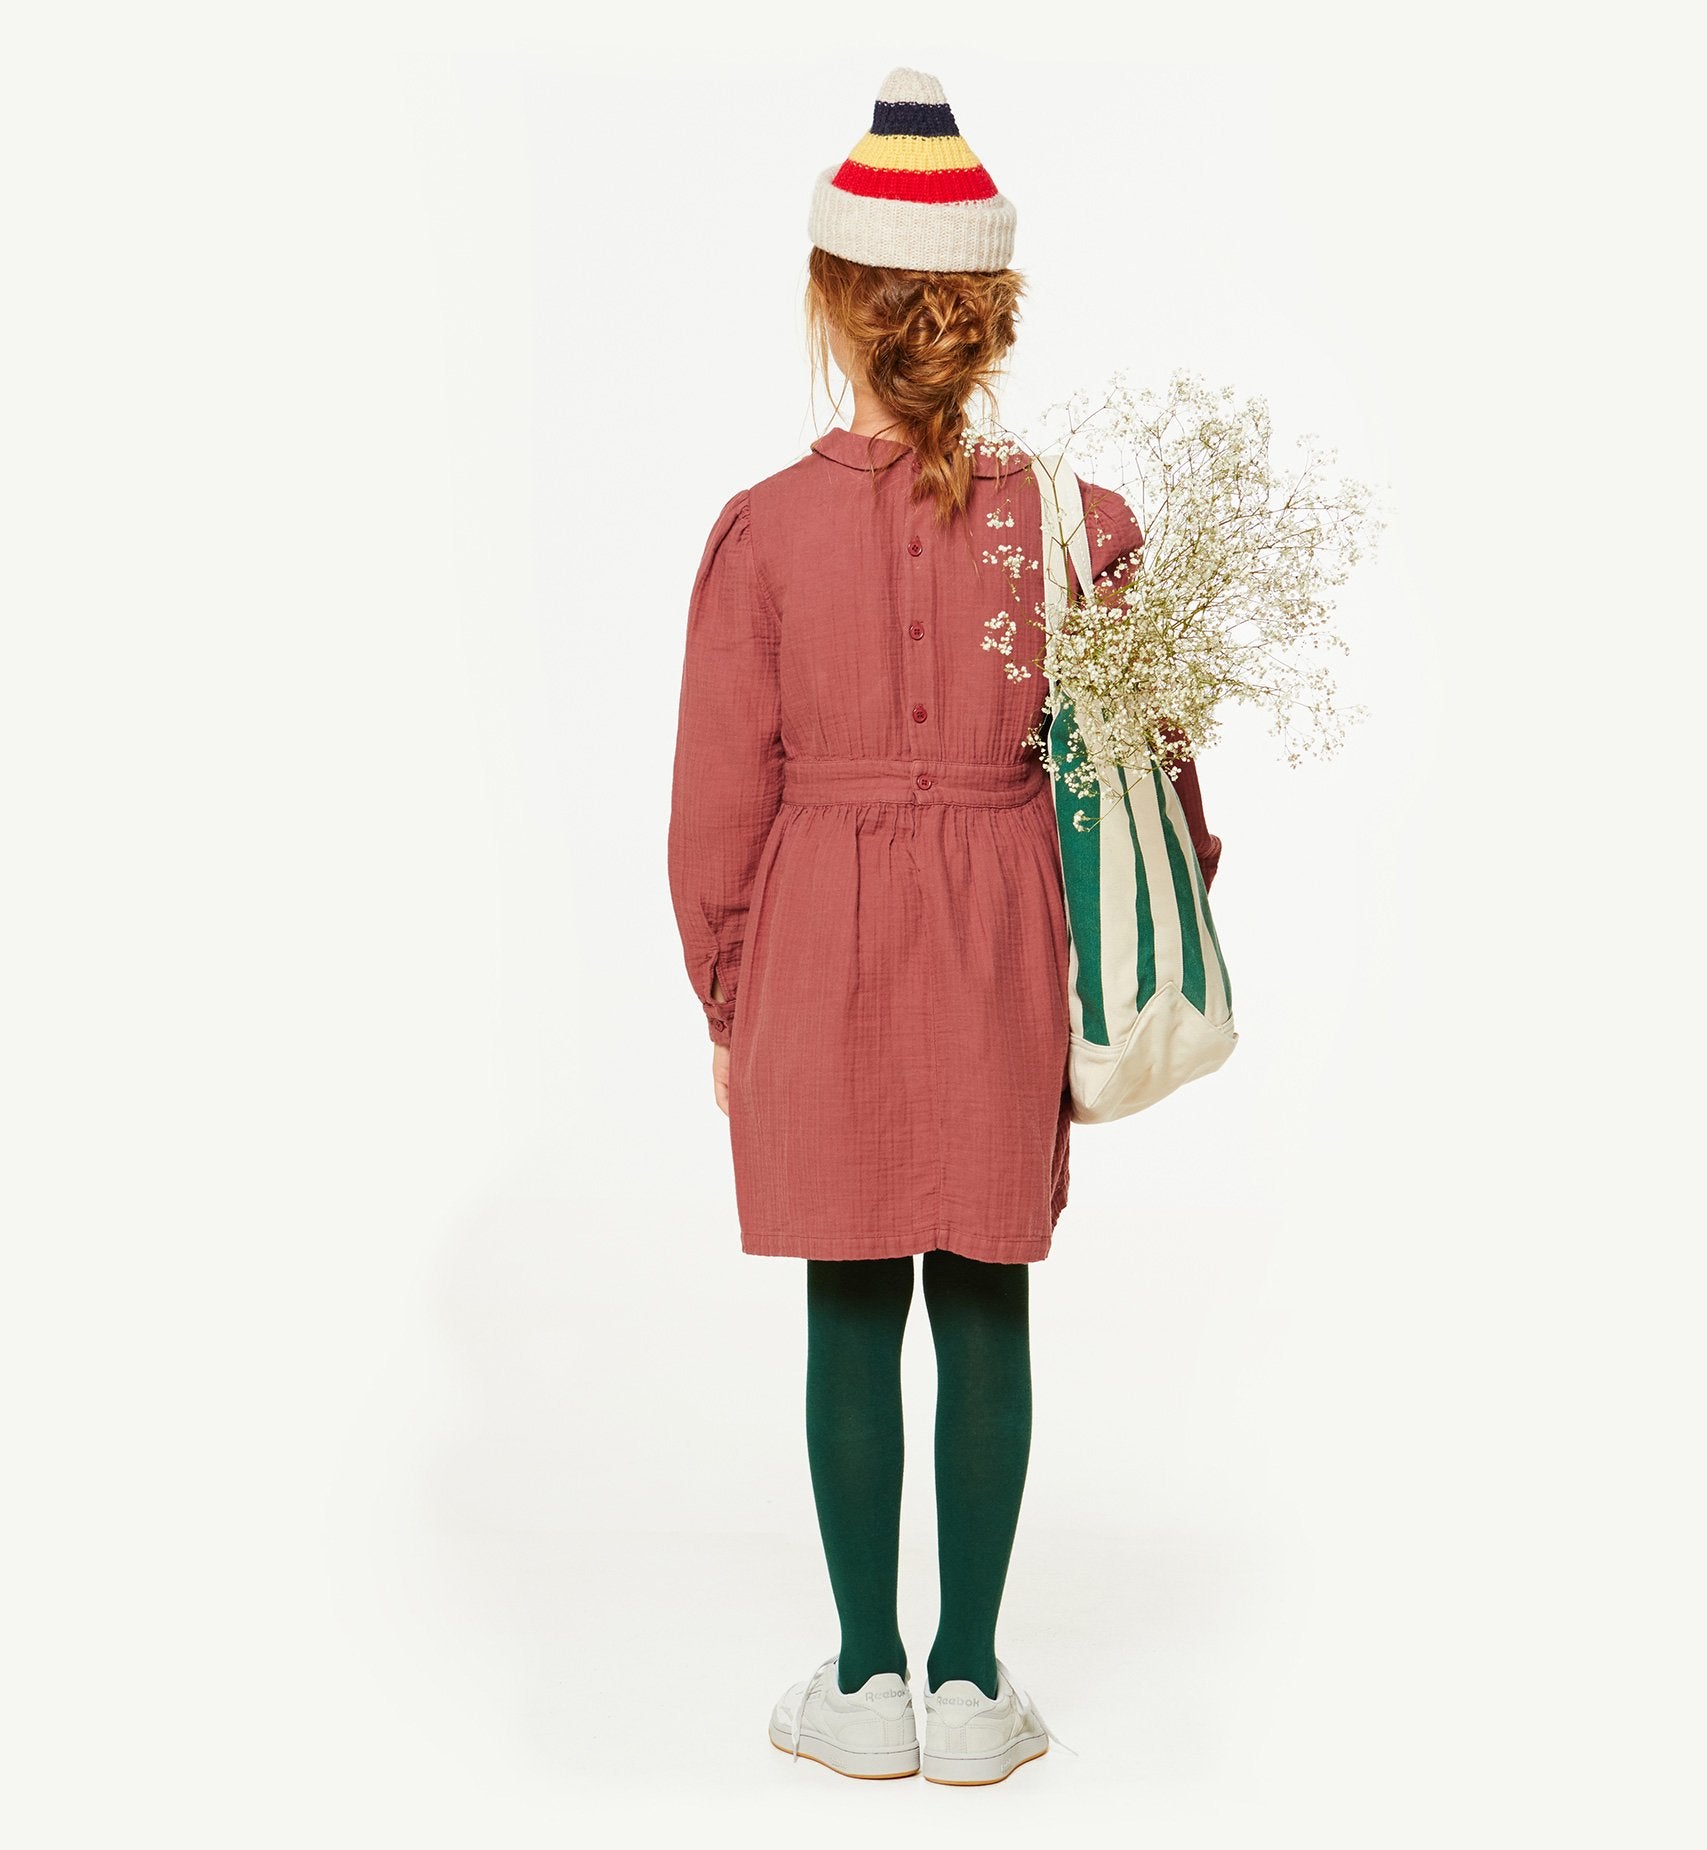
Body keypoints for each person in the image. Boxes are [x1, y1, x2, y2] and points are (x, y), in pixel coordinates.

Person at [666, 67, 1222, 1786]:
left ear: (832, 305)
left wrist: (729, 994)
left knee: (849, 1295)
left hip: (818, 937)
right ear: (986, 315)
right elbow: (1159, 793)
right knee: (985, 1293)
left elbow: (714, 810)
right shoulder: (1078, 528)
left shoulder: (760, 534)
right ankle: (972, 1686)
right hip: (1001, 932)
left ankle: (861, 1681)